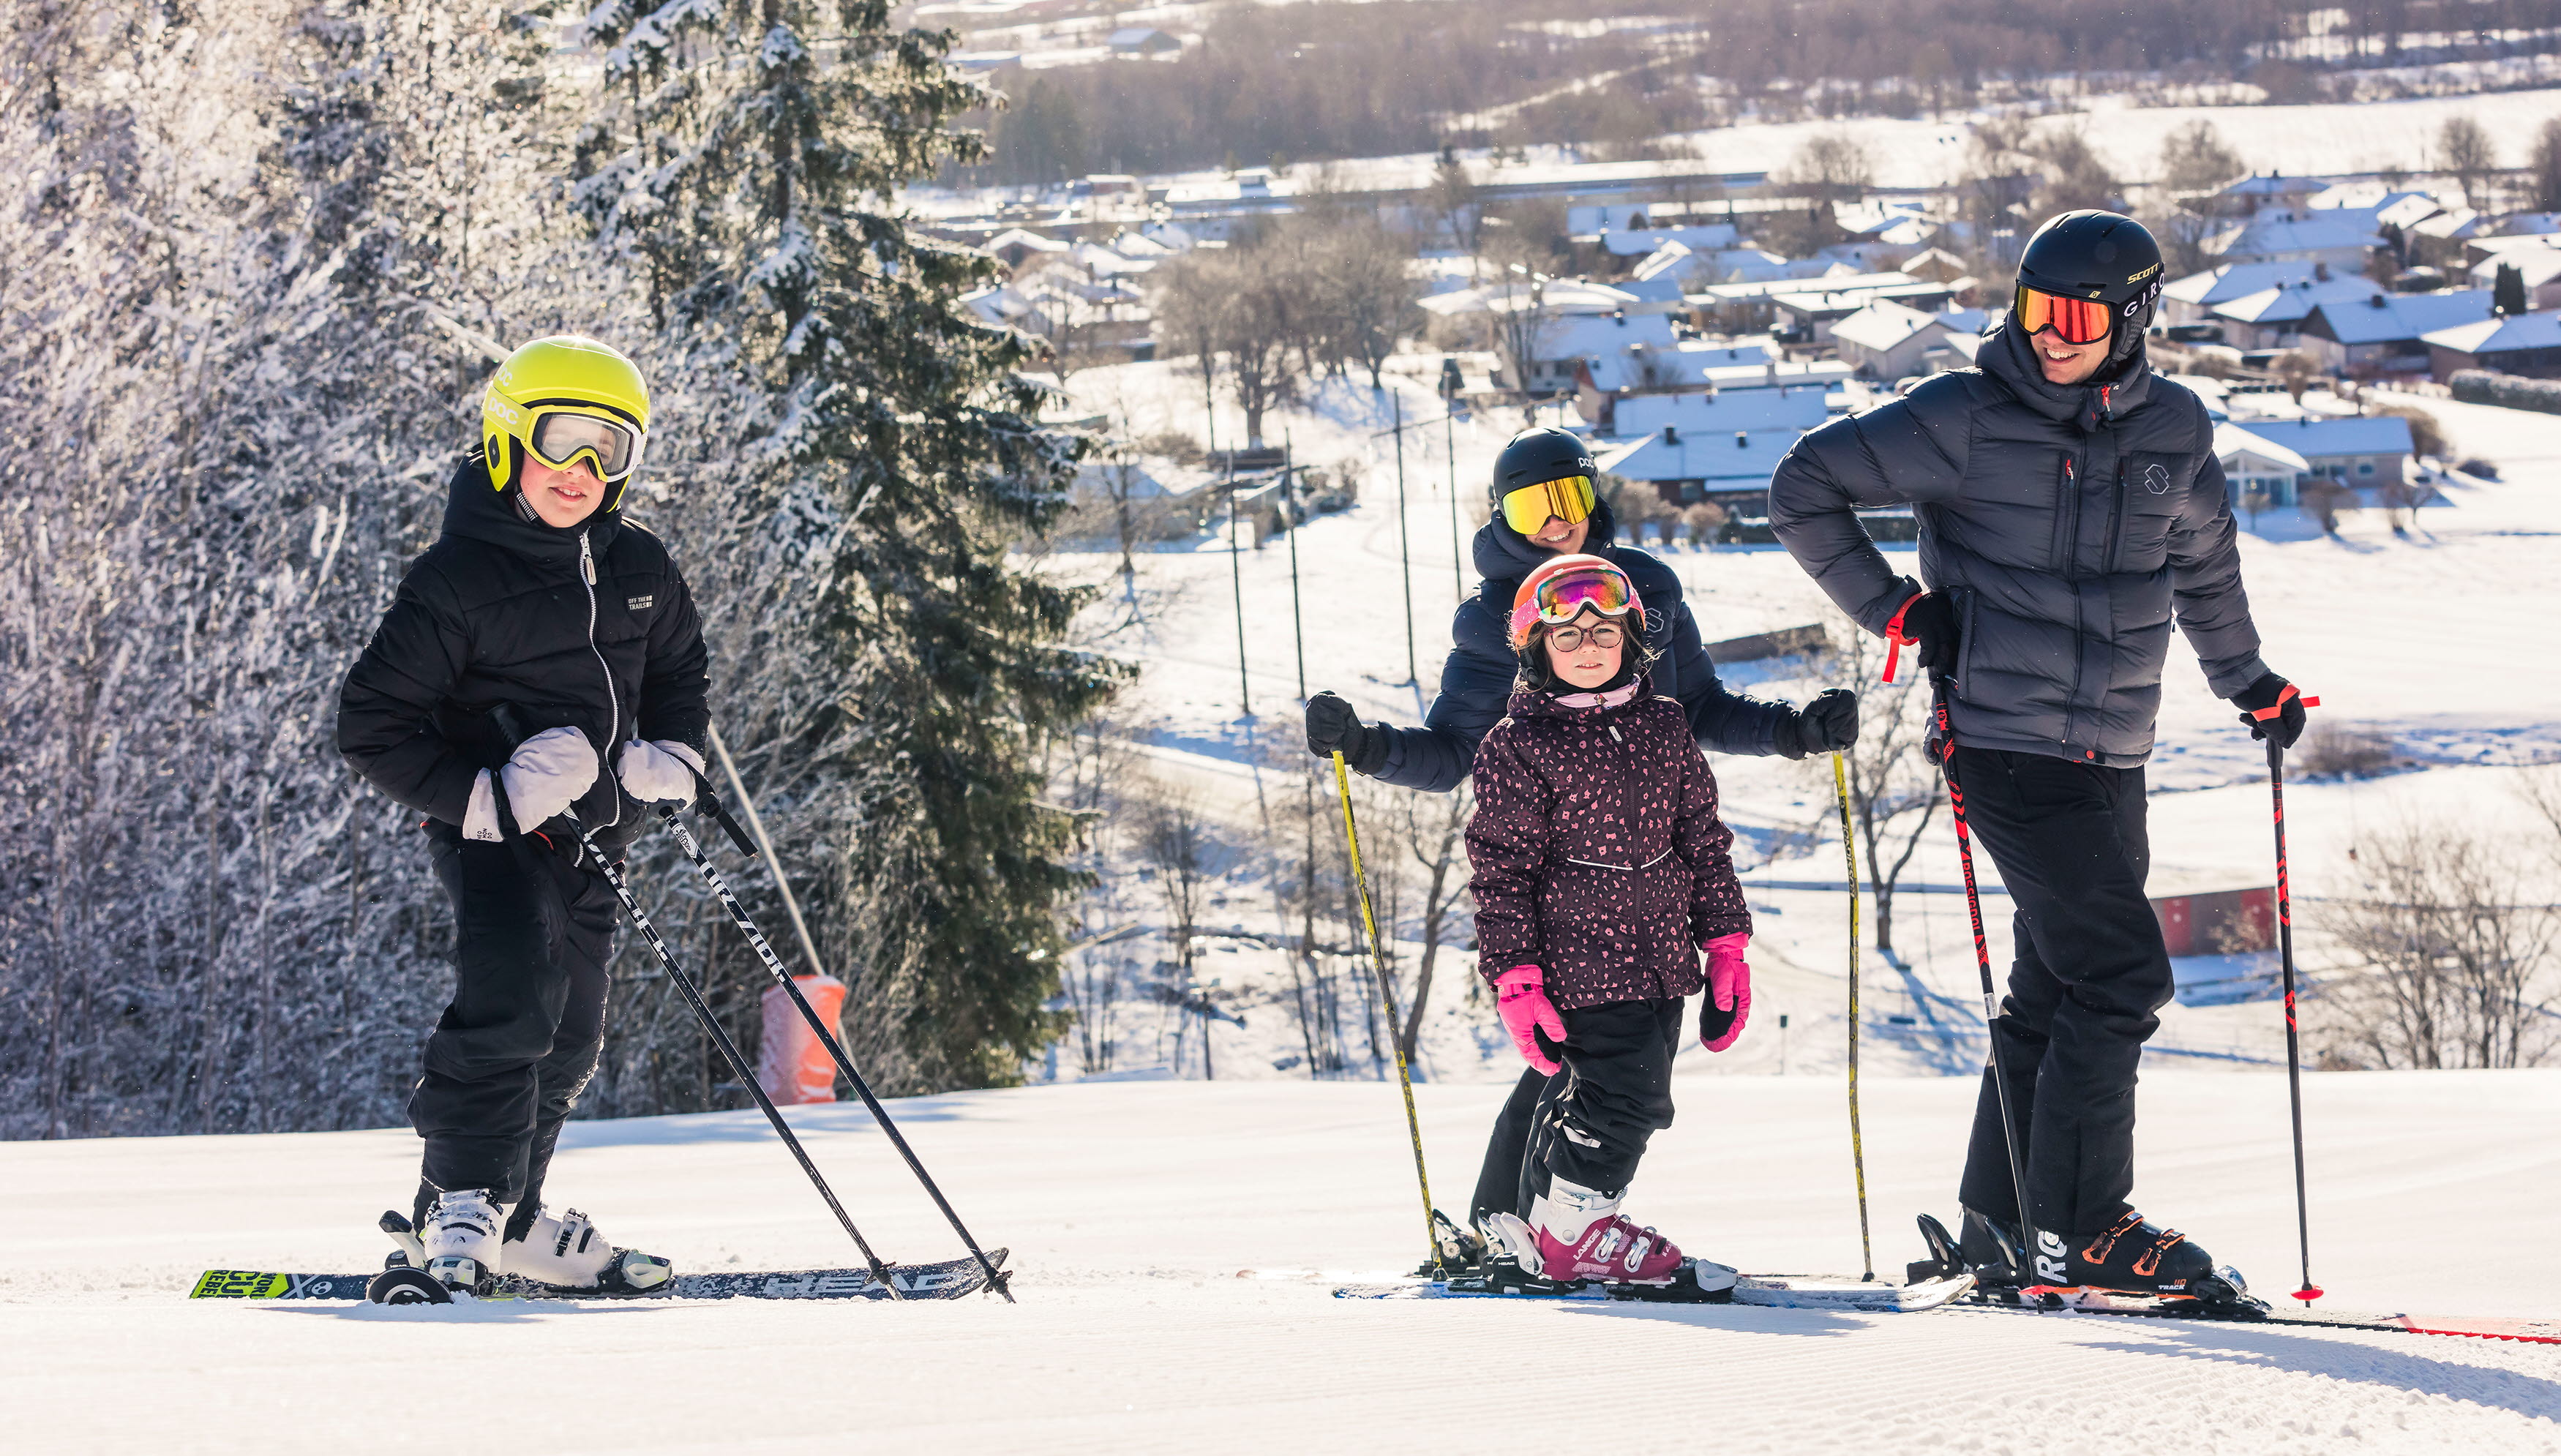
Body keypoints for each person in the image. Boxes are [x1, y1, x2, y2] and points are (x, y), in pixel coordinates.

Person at [1766, 211, 2312, 1301]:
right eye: (2035, 310)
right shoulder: (1964, 416)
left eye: (2077, 316)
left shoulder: (2176, 429)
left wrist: (2249, 681)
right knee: (2120, 974)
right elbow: (1802, 488)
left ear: (2135, 316)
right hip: (2005, 742)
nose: (2051, 335)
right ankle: (2086, 1224)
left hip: (2115, 751)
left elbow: (2203, 567)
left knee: (2056, 981)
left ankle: (2002, 1217)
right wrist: (1900, 613)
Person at [1303, 425, 1856, 1242]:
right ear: (1502, 516)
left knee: (1569, 1074)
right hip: (1561, 903)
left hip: (1649, 894)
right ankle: (1562, 1229)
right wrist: (1365, 746)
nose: (1555, 521)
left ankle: (1505, 1225)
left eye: (1568, 497)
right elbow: (1453, 751)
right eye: (1532, 504)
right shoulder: (1497, 622)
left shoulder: (1646, 592)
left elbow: (1700, 709)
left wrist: (1793, 731)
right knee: (1612, 1080)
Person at [337, 335, 712, 1296]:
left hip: (598, 833)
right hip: (496, 833)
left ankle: (516, 1217)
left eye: (610, 449)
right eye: (563, 441)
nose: (583, 471)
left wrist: (670, 750)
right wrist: (488, 794)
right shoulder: (456, 581)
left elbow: (678, 669)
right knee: (513, 997)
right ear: (510, 438)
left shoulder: (639, 565)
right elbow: (371, 726)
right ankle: (457, 1204)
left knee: (574, 1030)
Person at [1463, 555, 1752, 1289]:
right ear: (1536, 648)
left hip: (1661, 957)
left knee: (1603, 1099)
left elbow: (1701, 840)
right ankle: (1574, 1234)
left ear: (1630, 638)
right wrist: (1515, 977)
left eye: (1603, 631)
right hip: (1577, 961)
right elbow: (1500, 869)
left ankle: (1535, 1225)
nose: (1588, 647)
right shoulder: (1517, 745)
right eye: (1566, 636)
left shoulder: (1663, 727)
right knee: (1629, 1098)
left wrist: (1723, 944)